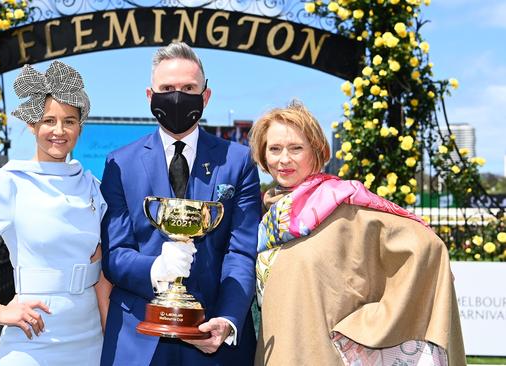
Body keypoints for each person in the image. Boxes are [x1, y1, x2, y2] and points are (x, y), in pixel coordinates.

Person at [249, 101, 465, 365]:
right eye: (274, 149)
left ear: (317, 152)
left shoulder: (343, 205)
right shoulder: (266, 216)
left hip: (323, 355)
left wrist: (364, 328)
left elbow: (426, 247)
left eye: (296, 148)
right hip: (274, 351)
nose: (284, 159)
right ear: (263, 155)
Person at [0, 61, 111, 365]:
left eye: (69, 121)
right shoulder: (8, 183)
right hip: (33, 337)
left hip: (90, 340)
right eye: (49, 120)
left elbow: (101, 272)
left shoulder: (92, 186)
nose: (59, 130)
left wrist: (111, 340)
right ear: (32, 124)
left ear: (80, 126)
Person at [99, 42, 261, 365]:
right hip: (137, 341)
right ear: (150, 96)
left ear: (205, 96)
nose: (177, 96)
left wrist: (227, 320)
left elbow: (241, 251)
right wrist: (156, 269)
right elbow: (115, 255)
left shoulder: (238, 161)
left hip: (213, 342)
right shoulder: (120, 163)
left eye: (188, 88)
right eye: (167, 88)